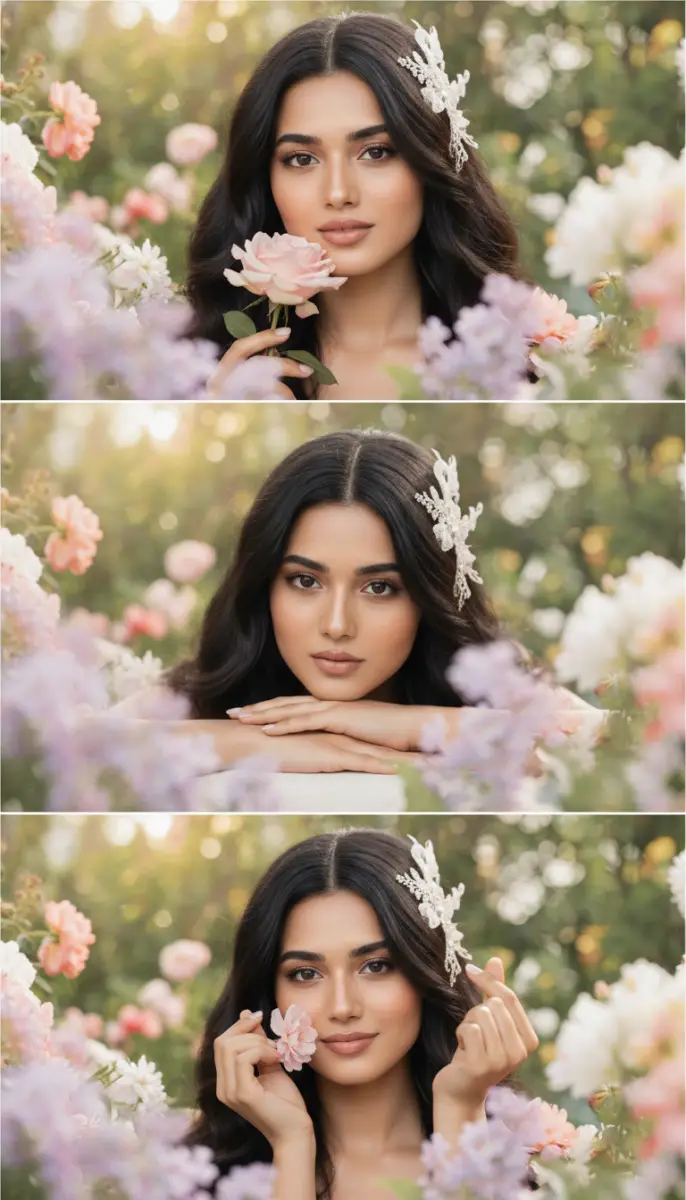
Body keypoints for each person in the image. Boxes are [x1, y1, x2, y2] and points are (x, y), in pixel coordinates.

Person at [109, 429, 590, 777]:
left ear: (428, 595)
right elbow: (62, 748)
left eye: (379, 588)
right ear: (263, 586)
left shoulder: (498, 687)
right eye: (304, 581)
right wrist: (247, 741)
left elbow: (613, 744)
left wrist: (407, 725)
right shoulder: (197, 698)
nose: (337, 625)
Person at [185, 828, 541, 1200]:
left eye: (375, 966)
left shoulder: (542, 1153)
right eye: (306, 974)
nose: (343, 1007)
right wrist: (292, 1145)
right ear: (269, 991)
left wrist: (462, 1113)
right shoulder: (196, 1176)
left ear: (427, 969)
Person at [184, 11, 524, 400]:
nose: (338, 192)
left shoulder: (524, 364)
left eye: (376, 152)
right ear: (264, 178)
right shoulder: (195, 371)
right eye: (301, 159)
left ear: (431, 159)